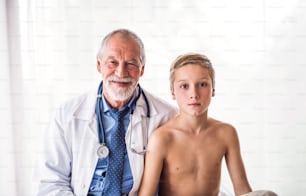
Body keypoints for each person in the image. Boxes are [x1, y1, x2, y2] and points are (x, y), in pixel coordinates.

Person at [34, 29, 177, 196]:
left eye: (130, 64)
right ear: (98, 64)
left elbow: (175, 183)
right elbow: (50, 182)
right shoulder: (67, 115)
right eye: (113, 62)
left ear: (142, 69)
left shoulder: (167, 117)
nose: (121, 73)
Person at [138, 53, 277, 196]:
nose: (194, 94)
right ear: (173, 92)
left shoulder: (226, 133)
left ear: (213, 89)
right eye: (184, 86)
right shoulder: (162, 138)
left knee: (267, 194)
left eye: (202, 84)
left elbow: (242, 189)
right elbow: (146, 194)